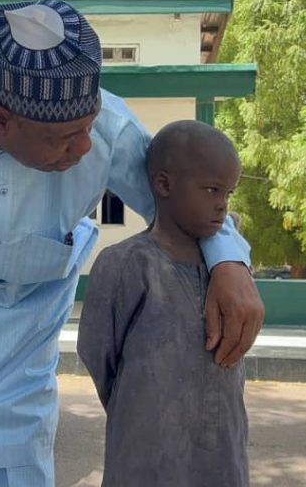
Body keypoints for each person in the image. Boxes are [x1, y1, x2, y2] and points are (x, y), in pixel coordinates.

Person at [0, 0, 264, 486]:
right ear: (0, 119)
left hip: (27, 319)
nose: (84, 147)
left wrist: (230, 263)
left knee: (23, 463)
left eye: (89, 125)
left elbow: (177, 200)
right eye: (63, 137)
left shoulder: (108, 130)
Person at [78, 120, 249, 487]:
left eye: (228, 193)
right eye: (211, 189)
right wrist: (142, 404)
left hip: (222, 454)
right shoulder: (127, 263)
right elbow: (99, 354)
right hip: (143, 455)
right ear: (164, 185)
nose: (222, 205)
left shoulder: (227, 273)